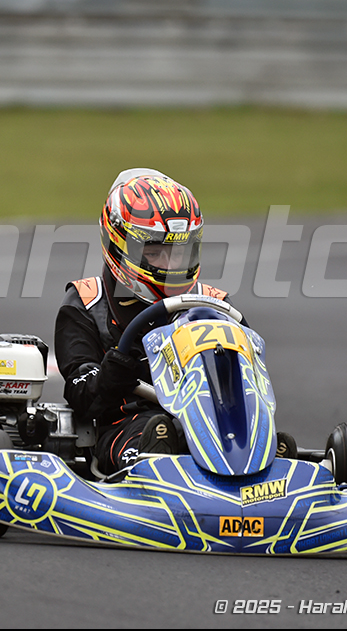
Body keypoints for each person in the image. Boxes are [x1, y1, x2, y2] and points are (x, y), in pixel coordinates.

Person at [54, 168, 245, 476]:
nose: (170, 265)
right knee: (155, 431)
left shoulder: (215, 304)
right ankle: (156, 464)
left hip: (214, 425)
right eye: (155, 252)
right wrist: (109, 377)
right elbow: (81, 395)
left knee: (244, 431)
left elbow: (246, 381)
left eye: (179, 252)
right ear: (119, 245)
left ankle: (265, 460)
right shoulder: (87, 302)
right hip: (125, 423)